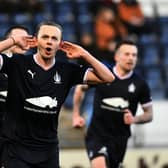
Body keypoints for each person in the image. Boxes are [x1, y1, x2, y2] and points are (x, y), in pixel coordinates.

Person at [0, 21, 115, 168]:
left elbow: (108, 78)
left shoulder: (66, 70)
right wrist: (13, 41)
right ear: (36, 40)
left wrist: (85, 54)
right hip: (16, 148)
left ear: (60, 44)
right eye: (45, 37)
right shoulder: (18, 63)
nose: (49, 41)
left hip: (48, 149)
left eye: (54, 38)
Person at [72, 40, 153, 168]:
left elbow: (149, 114)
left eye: (134, 55)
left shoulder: (140, 84)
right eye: (126, 54)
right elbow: (80, 89)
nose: (130, 58)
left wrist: (134, 119)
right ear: (116, 56)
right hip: (97, 135)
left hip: (119, 139)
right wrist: (76, 114)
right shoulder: (103, 75)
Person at [0, 25, 30, 166]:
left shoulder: (33, 71)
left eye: (25, 39)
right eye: (18, 39)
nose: (21, 41)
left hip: (19, 142)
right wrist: (13, 40)